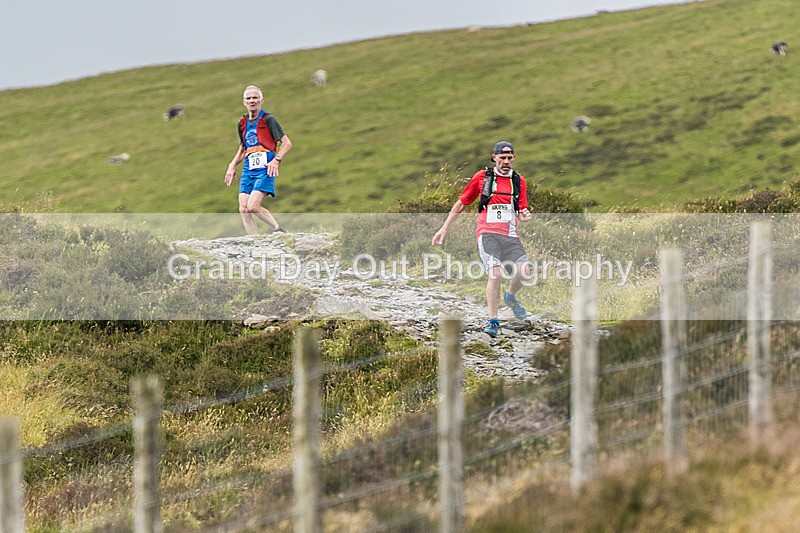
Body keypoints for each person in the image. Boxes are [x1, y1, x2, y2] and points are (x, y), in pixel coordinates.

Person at [432, 141, 533, 337]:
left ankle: (510, 297)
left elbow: (521, 211)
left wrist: (525, 216)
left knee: (525, 272)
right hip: (487, 234)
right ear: (494, 157)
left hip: (510, 235)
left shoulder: (519, 181)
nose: (506, 162)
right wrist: (444, 228)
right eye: (502, 158)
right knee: (495, 275)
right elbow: (462, 203)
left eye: (509, 158)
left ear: (514, 159)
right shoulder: (483, 177)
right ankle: (493, 321)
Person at [224, 85, 293, 235]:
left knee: (253, 206)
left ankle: (279, 230)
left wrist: (276, 160)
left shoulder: (268, 119)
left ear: (261, 100)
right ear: (244, 102)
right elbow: (243, 149)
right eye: (248, 98)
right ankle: (255, 241)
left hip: (265, 167)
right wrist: (232, 165)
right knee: (243, 208)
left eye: (255, 97)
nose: (252, 101)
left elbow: (287, 143)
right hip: (249, 168)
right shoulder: (242, 123)